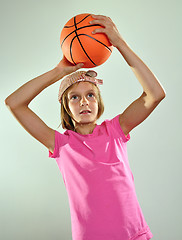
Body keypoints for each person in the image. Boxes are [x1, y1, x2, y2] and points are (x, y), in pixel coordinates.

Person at [5, 14, 165, 240]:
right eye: (74, 97)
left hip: (134, 235)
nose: (83, 102)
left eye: (90, 94)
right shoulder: (61, 144)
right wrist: (57, 73)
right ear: (66, 107)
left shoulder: (116, 130)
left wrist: (119, 43)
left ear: (98, 101)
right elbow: (14, 103)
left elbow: (155, 94)